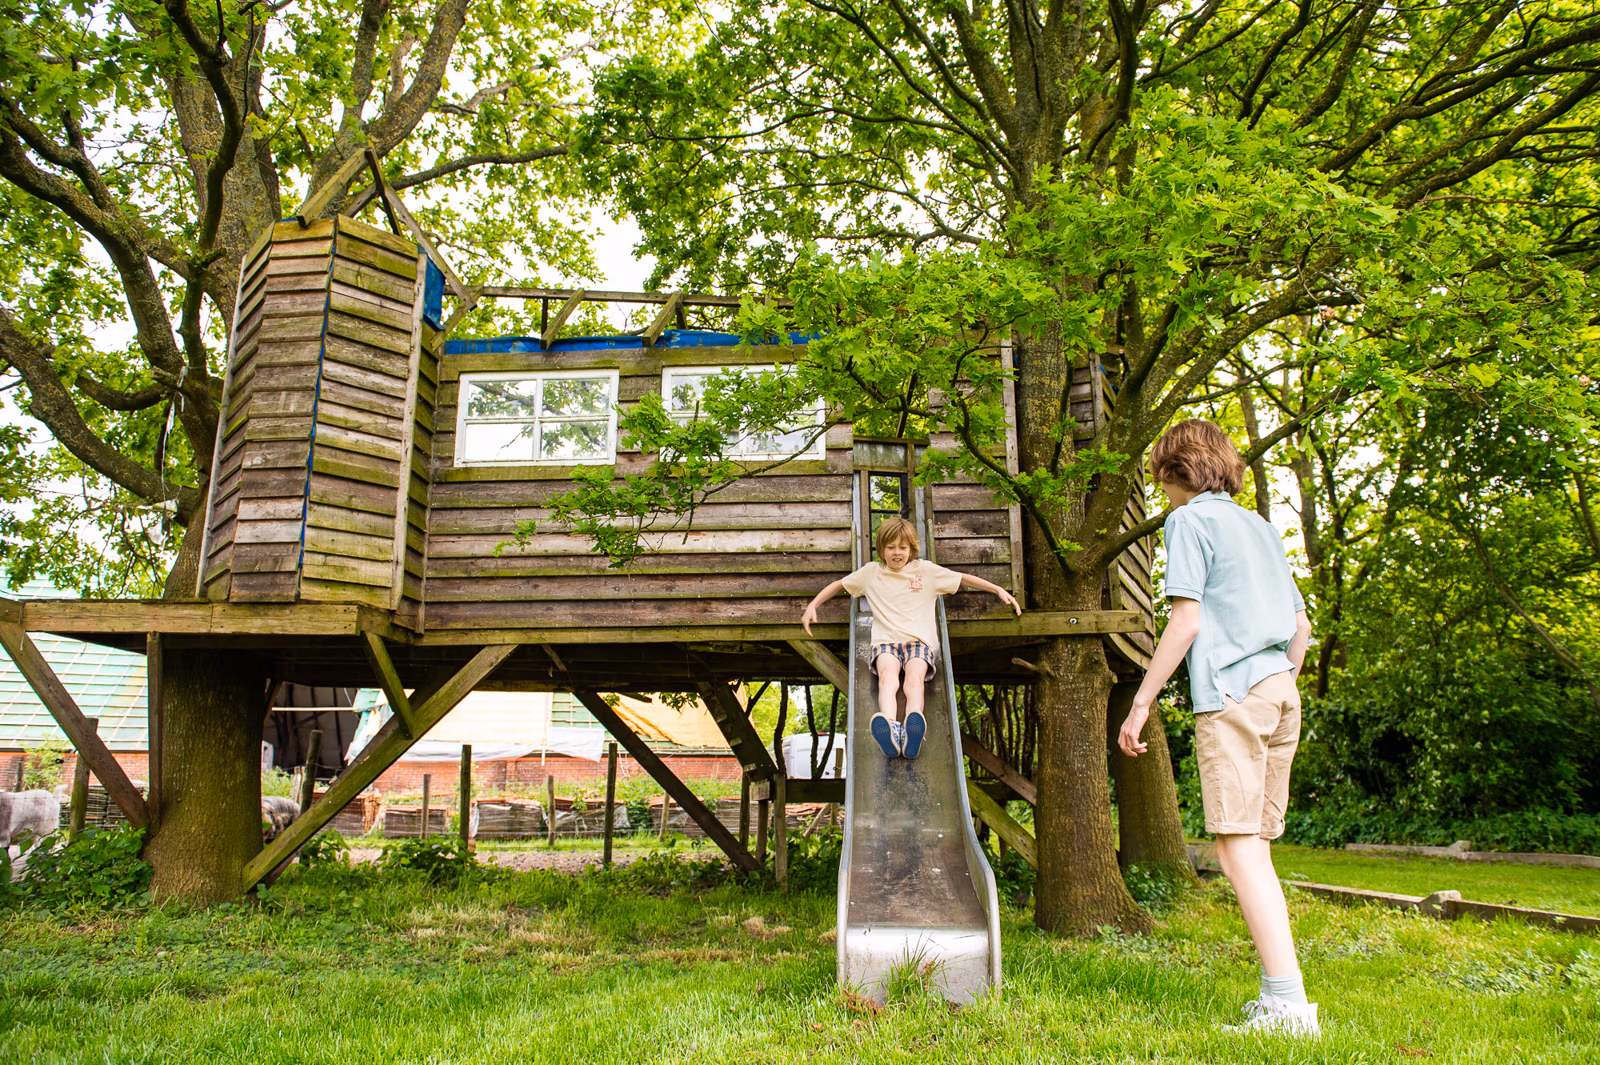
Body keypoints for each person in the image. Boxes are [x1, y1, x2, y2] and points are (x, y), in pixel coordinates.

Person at [1116, 419, 1318, 1036]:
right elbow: (1301, 627)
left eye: (1162, 481)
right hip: (1282, 691)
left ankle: (1289, 1007)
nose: (1163, 495)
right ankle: (1281, 996)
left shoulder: (1189, 521)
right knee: (1254, 850)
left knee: (1237, 852)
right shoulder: (1261, 526)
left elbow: (1185, 622)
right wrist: (1277, 680)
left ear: (1177, 471)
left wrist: (1141, 703)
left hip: (1233, 693)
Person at [801, 516, 1020, 758]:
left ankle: (912, 728)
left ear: (911, 549)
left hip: (919, 641)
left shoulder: (925, 571)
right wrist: (813, 605)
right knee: (888, 675)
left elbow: (962, 578)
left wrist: (998, 589)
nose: (897, 553)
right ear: (881, 549)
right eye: (891, 547)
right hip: (886, 643)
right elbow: (838, 584)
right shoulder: (870, 573)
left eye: (902, 548)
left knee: (914, 676)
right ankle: (891, 726)